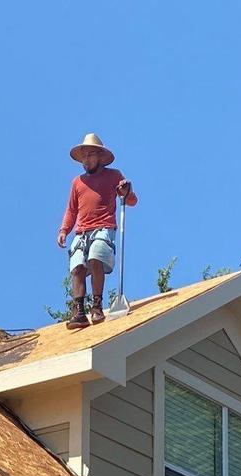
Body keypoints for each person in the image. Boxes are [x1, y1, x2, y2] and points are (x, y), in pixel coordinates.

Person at [58, 133, 138, 329]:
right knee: (77, 268)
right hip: (81, 231)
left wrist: (125, 191)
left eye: (90, 155)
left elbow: (131, 200)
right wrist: (63, 230)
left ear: (100, 157)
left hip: (103, 227)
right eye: (83, 157)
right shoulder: (77, 182)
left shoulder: (113, 176)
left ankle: (96, 305)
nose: (86, 160)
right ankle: (79, 311)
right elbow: (71, 210)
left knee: (95, 260)